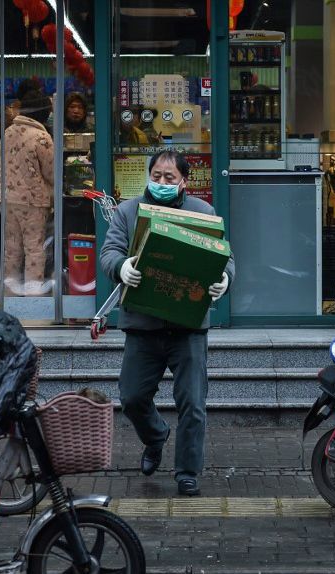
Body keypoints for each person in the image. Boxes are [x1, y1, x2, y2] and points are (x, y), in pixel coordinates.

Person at [98, 149, 235, 497]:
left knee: (192, 401)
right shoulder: (129, 212)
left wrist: (224, 279)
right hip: (142, 325)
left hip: (187, 327)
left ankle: (187, 471)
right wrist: (121, 267)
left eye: (169, 178)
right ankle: (156, 436)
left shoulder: (202, 212)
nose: (161, 182)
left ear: (184, 181)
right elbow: (109, 253)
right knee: (131, 396)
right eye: (156, 176)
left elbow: (226, 257)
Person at [0, 79, 43, 301]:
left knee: (3, 242)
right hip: (23, 193)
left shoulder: (4, 123)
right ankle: (27, 296)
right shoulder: (31, 128)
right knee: (29, 246)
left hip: (0, 189)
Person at [0, 90, 55, 296]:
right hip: (33, 200)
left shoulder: (8, 132)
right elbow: (52, 171)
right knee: (34, 249)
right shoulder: (41, 136)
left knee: (11, 250)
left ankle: (10, 295)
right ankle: (33, 297)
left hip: (7, 198)